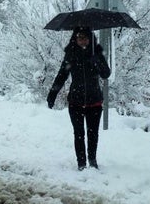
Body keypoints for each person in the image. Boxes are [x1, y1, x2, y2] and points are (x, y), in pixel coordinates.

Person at [47, 27, 111, 171]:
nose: (82, 40)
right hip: (75, 101)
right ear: (75, 39)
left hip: (94, 101)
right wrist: (52, 94)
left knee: (93, 133)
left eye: (85, 37)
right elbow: (61, 76)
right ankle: (81, 163)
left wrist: (97, 61)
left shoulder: (97, 53)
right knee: (79, 133)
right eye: (79, 37)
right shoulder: (71, 55)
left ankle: (93, 161)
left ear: (90, 38)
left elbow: (106, 74)